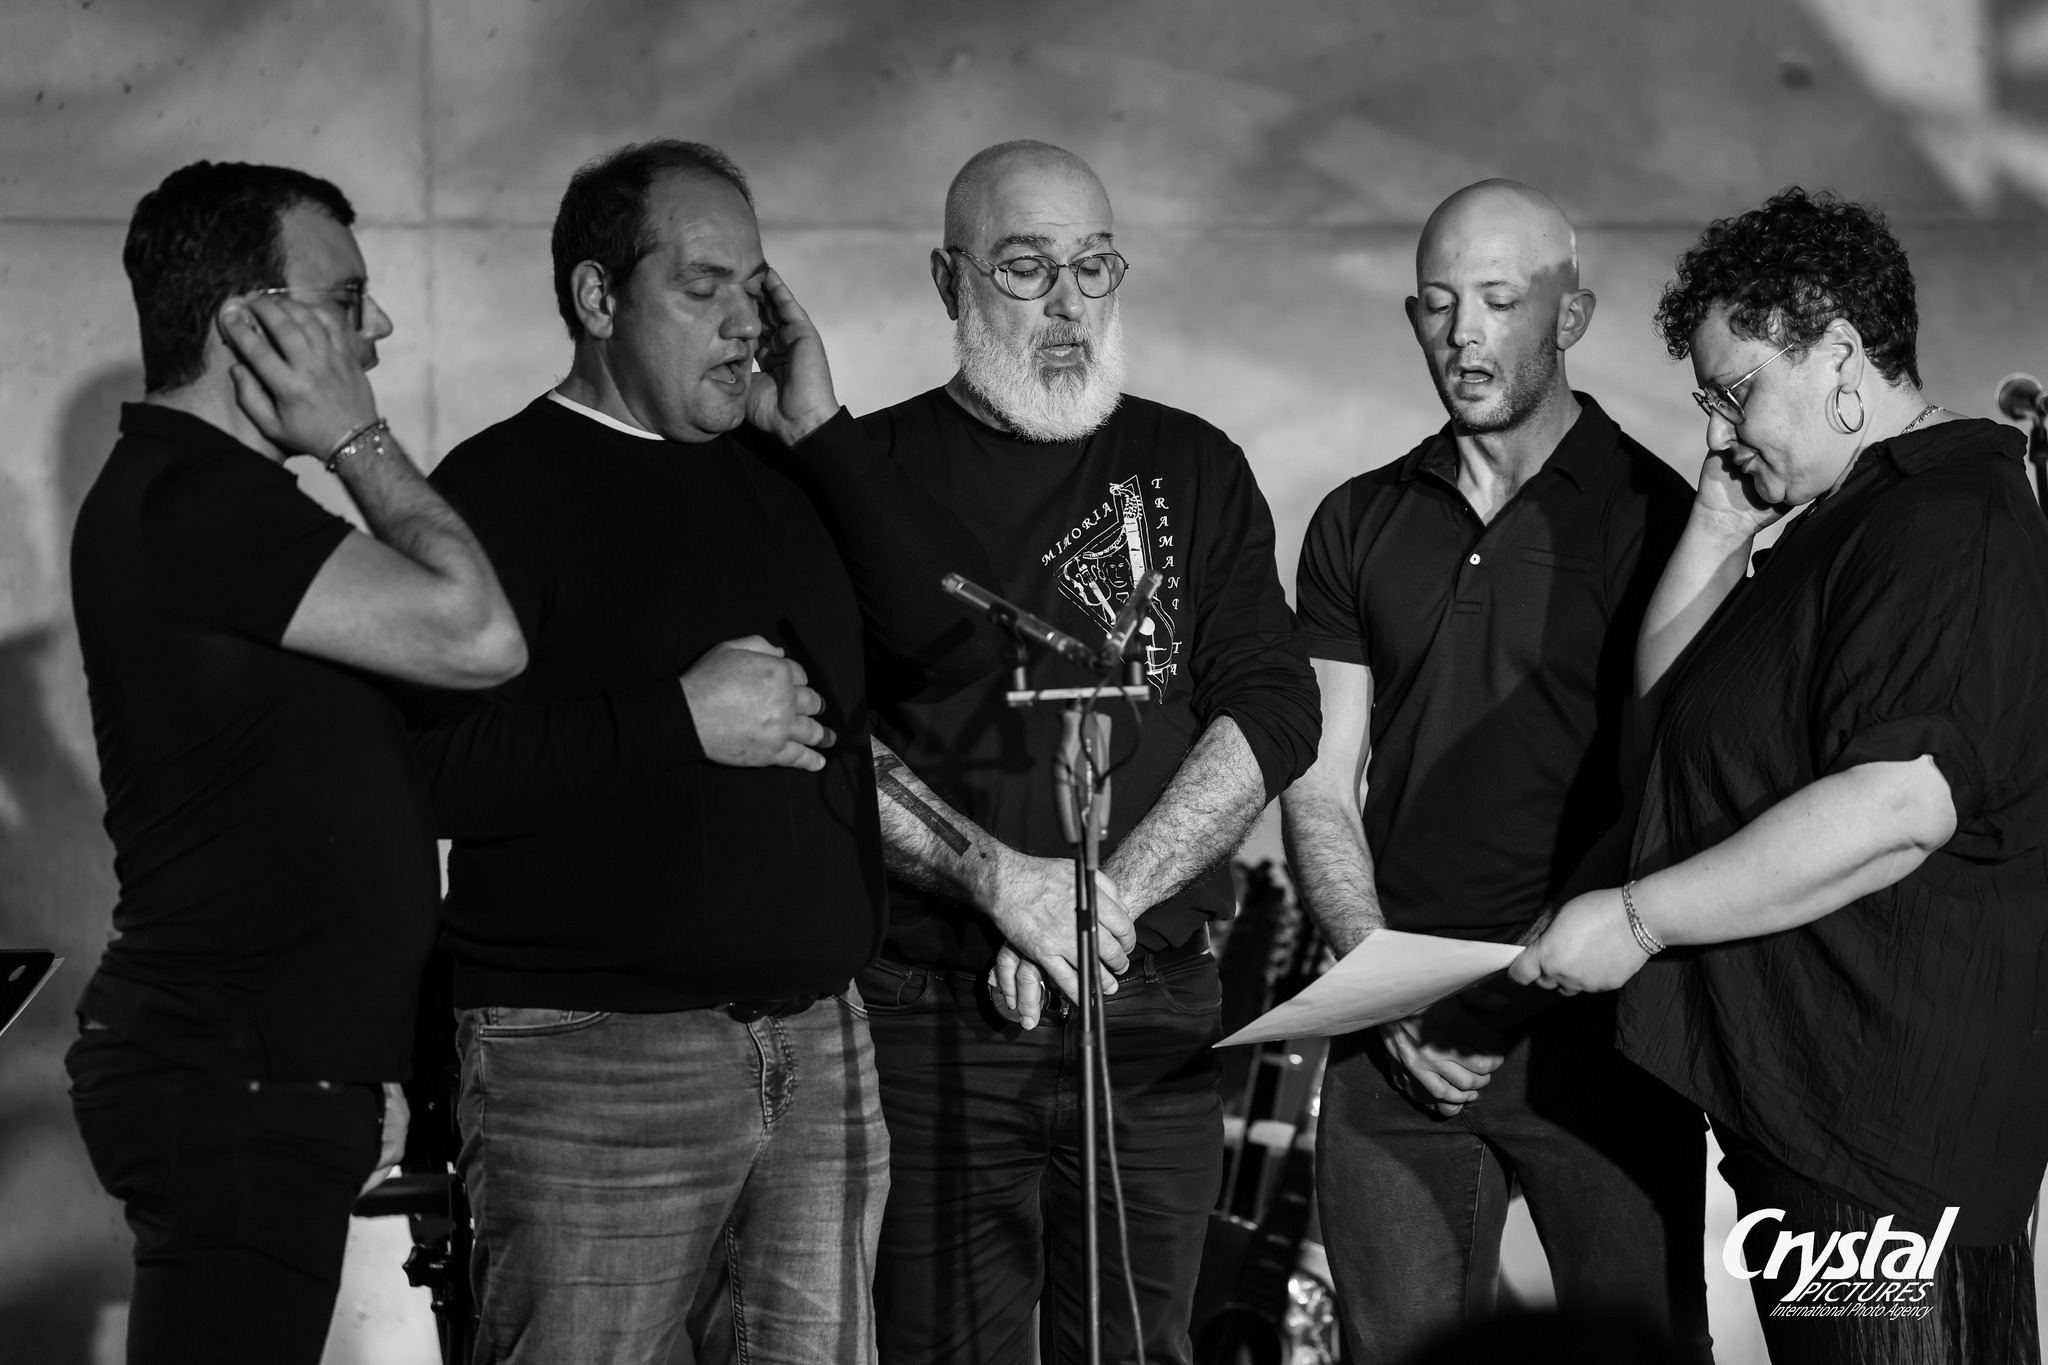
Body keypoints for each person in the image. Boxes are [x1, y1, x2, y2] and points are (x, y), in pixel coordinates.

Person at [404, 139, 998, 1365]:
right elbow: (431, 769)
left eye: (755, 287)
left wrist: (823, 430)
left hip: (820, 1048)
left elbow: (957, 638)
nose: (743, 323)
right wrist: (679, 719)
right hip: (593, 1064)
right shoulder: (499, 486)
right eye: (702, 287)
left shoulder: (791, 468)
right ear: (597, 297)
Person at [1514, 187, 2048, 1364]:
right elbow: (1662, 735)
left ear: (1839, 355)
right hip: (1814, 1136)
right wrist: (1715, 525)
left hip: (1885, 1164)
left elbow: (1897, 805)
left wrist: (1639, 920)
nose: (1718, 433)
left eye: (1734, 393)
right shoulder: (1842, 522)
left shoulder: (1946, 515)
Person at [851, 140, 1321, 1365]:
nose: (1067, 304)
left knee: (1141, 1348)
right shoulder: (866, 476)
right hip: (933, 1013)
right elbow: (823, 738)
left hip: (1149, 1004)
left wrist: (1097, 905)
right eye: (1024, 268)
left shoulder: (1194, 464)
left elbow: (1272, 705)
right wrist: (995, 883)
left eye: (1094, 266)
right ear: (947, 282)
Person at [65, 161, 525, 1364]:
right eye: (346, 299)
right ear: (249, 325)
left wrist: (360, 1056)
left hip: (264, 1072)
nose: (379, 328)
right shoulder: (197, 500)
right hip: (234, 1077)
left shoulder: (201, 495)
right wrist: (357, 439)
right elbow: (477, 637)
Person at [1280, 180, 1708, 1364]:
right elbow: (1317, 783)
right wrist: (1383, 987)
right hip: (1389, 1037)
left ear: (1569, 316)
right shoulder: (1354, 520)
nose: (1461, 334)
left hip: (1598, 1041)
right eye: (1435, 304)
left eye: (1498, 301)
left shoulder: (1658, 518)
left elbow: (1665, 795)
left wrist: (1498, 1001)